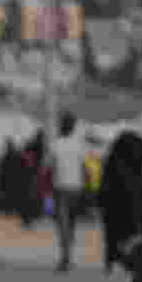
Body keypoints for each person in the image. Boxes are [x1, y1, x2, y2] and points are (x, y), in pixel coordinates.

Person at [97, 130, 142, 274]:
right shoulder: (139, 159)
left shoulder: (112, 161)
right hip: (134, 202)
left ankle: (112, 260)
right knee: (133, 232)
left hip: (114, 205)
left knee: (112, 233)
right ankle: (133, 259)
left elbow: (104, 185)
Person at [49, 110, 87, 272]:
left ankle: (66, 258)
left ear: (61, 126)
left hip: (61, 187)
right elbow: (85, 168)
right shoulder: (79, 145)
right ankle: (68, 256)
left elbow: (49, 167)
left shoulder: (55, 144)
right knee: (71, 224)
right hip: (76, 188)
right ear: (73, 127)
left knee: (63, 224)